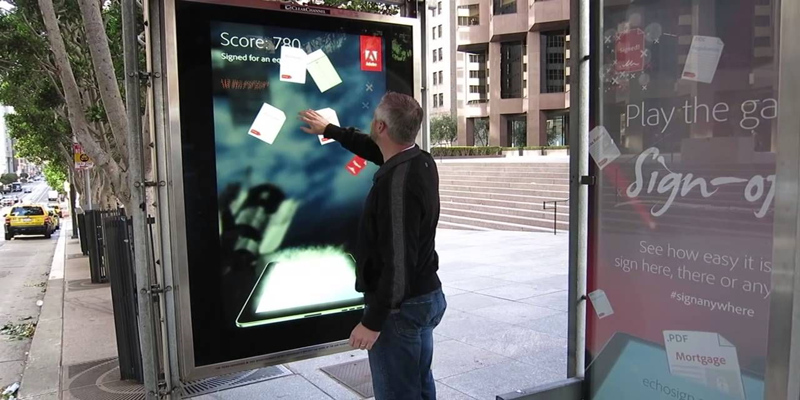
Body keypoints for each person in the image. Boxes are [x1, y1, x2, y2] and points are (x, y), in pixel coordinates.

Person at [299, 92, 446, 400]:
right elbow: (373, 148)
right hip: (424, 297)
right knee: (418, 385)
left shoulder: (397, 184)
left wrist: (373, 321)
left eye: (373, 122)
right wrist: (330, 130)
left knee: (398, 393)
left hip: (400, 309)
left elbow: (398, 261)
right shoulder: (419, 160)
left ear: (380, 126)